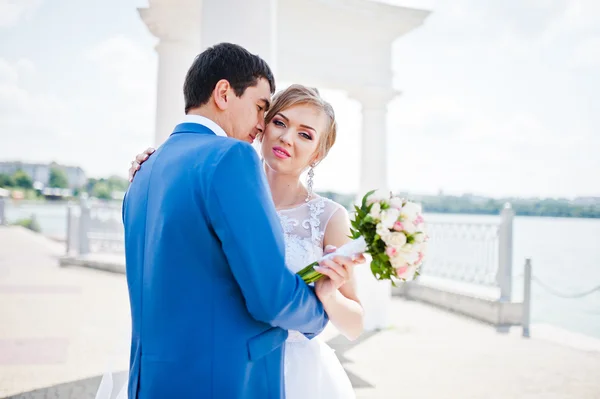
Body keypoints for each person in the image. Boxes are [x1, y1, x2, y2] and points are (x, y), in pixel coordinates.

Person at [120, 43, 362, 399]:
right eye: (273, 117)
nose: (277, 132)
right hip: (230, 376)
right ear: (223, 94)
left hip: (163, 377)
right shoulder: (228, 164)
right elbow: (269, 298)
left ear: (318, 154)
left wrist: (330, 298)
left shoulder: (149, 170)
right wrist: (316, 311)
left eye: (305, 134)